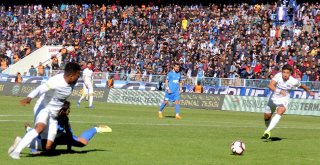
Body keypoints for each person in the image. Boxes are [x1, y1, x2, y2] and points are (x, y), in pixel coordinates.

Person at [8, 62, 81, 159]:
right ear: (71, 75)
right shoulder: (56, 81)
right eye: (78, 75)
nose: (79, 78)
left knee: (48, 147)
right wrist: (29, 97)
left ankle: (20, 142)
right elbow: (40, 88)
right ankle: (16, 152)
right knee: (40, 127)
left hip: (54, 115)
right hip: (43, 107)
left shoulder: (72, 82)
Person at [9, 101, 112, 155]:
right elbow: (39, 133)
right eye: (67, 109)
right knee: (47, 148)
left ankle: (96, 128)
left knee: (83, 143)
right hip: (46, 137)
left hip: (60, 137)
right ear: (61, 110)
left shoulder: (65, 118)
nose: (69, 111)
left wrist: (70, 148)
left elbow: (69, 133)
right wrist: (33, 150)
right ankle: (23, 138)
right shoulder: (49, 118)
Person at [261, 64, 314, 139]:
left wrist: (309, 92)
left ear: (290, 73)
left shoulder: (293, 81)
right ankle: (268, 130)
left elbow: (302, 86)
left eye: (287, 73)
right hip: (273, 98)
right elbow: (270, 85)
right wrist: (279, 91)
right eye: (284, 72)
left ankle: (267, 131)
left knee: (281, 110)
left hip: (284, 99)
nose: (285, 74)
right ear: (281, 72)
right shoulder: (278, 76)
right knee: (267, 116)